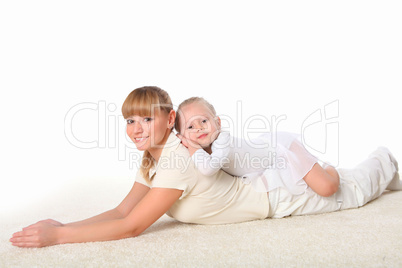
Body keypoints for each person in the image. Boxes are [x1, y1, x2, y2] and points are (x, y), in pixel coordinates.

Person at [10, 86, 402, 248]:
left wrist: (57, 239)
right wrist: (61, 225)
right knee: (345, 180)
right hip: (264, 181)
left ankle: (384, 158)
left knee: (351, 190)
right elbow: (121, 210)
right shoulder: (152, 159)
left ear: (169, 121)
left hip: (277, 196)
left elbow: (132, 227)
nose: (136, 129)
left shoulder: (178, 160)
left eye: (146, 119)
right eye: (130, 120)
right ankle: (359, 170)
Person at [175, 97, 340, 196]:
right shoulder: (199, 150)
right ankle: (315, 166)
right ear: (181, 135)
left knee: (327, 188)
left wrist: (193, 147)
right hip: (265, 158)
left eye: (204, 121)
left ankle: (327, 166)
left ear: (217, 122)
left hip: (279, 148)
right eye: (190, 127)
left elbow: (208, 169)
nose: (199, 128)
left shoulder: (222, 139)